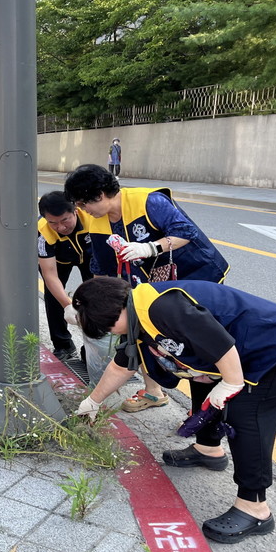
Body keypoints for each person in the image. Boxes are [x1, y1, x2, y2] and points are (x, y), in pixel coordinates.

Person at [72, 276, 276, 544]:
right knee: (203, 382)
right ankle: (208, 449)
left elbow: (221, 344)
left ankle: (255, 507)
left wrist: (232, 382)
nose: (112, 333)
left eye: (108, 326)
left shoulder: (163, 308)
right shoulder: (137, 318)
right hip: (240, 352)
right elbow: (122, 365)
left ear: (117, 310)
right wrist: (93, 402)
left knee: (247, 416)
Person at [64, 164, 229, 413]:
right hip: (155, 288)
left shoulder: (149, 201)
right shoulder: (98, 222)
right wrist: (85, 304)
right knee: (144, 335)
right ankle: (154, 393)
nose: (82, 210)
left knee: (199, 344)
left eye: (82, 203)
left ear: (99, 194)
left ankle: (208, 407)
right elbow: (100, 268)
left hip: (195, 277)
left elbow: (186, 231)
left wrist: (151, 248)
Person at [37, 191, 93, 361]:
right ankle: (63, 345)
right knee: (54, 297)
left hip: (91, 257)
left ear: (75, 210)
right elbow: (50, 275)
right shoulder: (42, 231)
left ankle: (91, 348)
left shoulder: (92, 219)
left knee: (96, 297)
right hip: (58, 261)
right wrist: (68, 305)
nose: (60, 227)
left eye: (65, 220)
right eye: (53, 222)